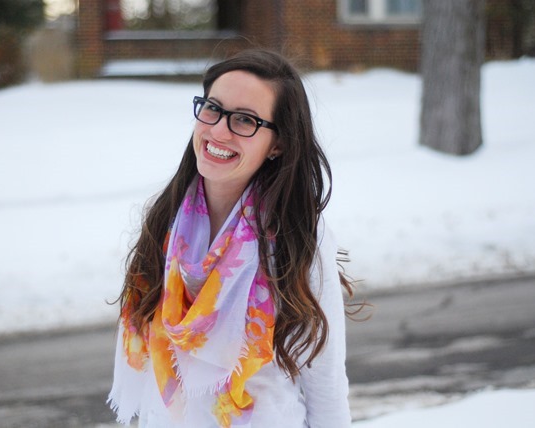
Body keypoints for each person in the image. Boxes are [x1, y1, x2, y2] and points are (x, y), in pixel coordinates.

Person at [108, 49, 353, 428]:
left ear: (278, 144)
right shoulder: (164, 220)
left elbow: (326, 383)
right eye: (212, 109)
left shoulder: (298, 237)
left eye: (245, 120)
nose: (218, 131)